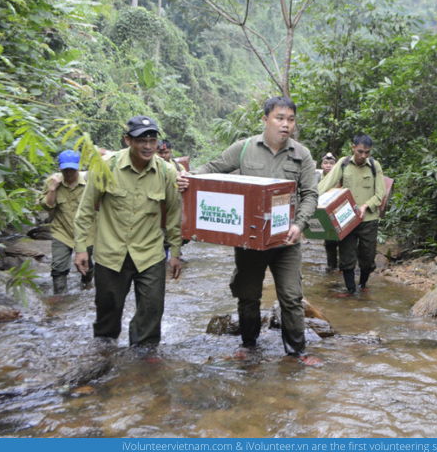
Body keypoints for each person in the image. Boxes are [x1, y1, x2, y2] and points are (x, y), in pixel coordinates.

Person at [176, 96, 320, 364]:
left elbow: (311, 194)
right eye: (279, 118)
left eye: (290, 119)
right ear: (265, 119)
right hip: (250, 241)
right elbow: (212, 167)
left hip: (286, 242)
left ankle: (297, 352)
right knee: (248, 295)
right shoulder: (244, 149)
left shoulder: (302, 155)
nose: (285, 124)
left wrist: (299, 225)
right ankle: (249, 346)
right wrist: (188, 177)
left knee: (291, 297)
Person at [74, 115, 182, 347]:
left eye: (152, 140)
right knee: (107, 320)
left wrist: (175, 253)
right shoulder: (106, 167)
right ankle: (104, 359)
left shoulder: (166, 172)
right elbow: (85, 210)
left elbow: (174, 214)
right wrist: (81, 248)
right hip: (111, 254)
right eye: (141, 140)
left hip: (150, 255)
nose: (148, 146)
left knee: (151, 314)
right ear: (127, 140)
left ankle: (142, 368)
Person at [318, 134, 386, 297]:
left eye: (367, 152)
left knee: (368, 256)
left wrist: (365, 206)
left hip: (368, 219)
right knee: (347, 256)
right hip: (347, 219)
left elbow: (381, 193)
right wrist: (311, 199)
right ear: (353, 148)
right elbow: (326, 184)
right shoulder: (343, 164)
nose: (363, 156)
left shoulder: (374, 166)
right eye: (360, 151)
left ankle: (362, 284)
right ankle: (350, 290)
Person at [38, 150, 94, 293]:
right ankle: (60, 298)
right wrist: (52, 188)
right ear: (59, 167)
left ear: (78, 167)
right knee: (58, 267)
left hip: (87, 232)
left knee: (87, 265)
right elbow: (46, 205)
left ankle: (86, 286)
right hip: (61, 231)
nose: (68, 172)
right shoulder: (51, 181)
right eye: (65, 169)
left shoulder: (89, 180)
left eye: (72, 169)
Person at [319, 152, 340, 272]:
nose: (328, 166)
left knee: (344, 241)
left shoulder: (341, 176)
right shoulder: (316, 178)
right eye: (325, 163)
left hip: (338, 211)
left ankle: (345, 266)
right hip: (325, 213)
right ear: (321, 165)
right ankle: (331, 266)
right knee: (329, 240)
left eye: (331, 163)